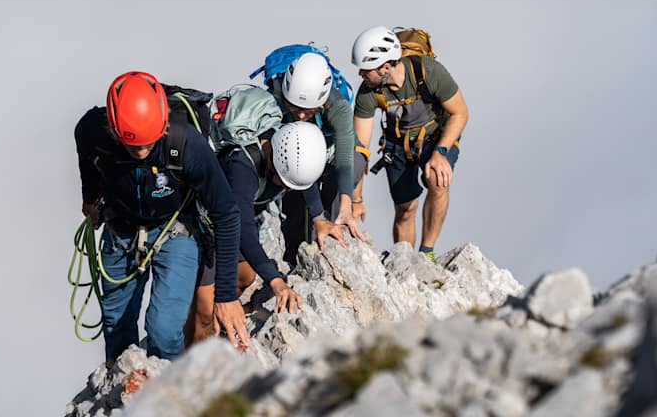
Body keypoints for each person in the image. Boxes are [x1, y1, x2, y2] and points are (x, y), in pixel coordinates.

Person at [74, 71, 249, 365]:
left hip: (176, 231)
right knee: (116, 326)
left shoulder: (186, 143)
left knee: (164, 330)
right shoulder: (92, 131)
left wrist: (227, 295)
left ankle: (168, 396)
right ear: (114, 130)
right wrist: (90, 198)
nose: (142, 152)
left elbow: (227, 213)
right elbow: (88, 163)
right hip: (121, 230)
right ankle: (126, 390)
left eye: (149, 144)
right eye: (133, 145)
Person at [185, 113, 346, 345]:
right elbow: (244, 232)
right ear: (273, 161)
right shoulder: (241, 168)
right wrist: (276, 280)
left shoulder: (292, 153)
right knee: (204, 308)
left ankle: (219, 326)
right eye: (284, 182)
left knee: (246, 276)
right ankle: (190, 356)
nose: (287, 190)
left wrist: (319, 218)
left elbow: (305, 181)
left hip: (233, 225)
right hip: (205, 225)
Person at [350, 27, 469, 261]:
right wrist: (356, 198)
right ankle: (404, 261)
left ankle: (427, 253)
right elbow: (359, 148)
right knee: (405, 209)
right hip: (397, 145)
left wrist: (440, 153)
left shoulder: (429, 71)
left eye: (366, 69)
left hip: (436, 138)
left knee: (437, 180)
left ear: (385, 67)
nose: (361, 74)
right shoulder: (367, 93)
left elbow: (460, 113)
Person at [273, 52, 368, 264]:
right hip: (293, 150)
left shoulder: (338, 106)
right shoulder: (274, 100)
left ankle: (335, 234)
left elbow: (345, 159)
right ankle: (294, 255)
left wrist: (347, 203)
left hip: (330, 150)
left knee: (354, 164)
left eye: (307, 111)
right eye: (294, 107)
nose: (299, 115)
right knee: (295, 194)